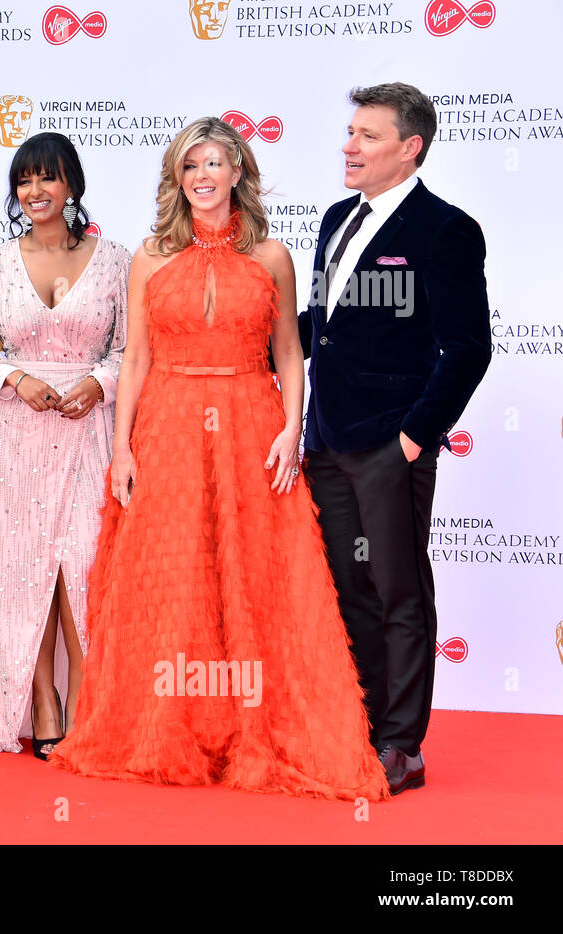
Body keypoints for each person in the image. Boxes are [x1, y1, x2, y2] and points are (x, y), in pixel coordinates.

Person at [49, 117, 389, 801]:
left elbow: (291, 355)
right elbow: (137, 358)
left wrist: (292, 427)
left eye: (215, 163)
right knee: (175, 579)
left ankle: (252, 728)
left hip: (248, 423)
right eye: (190, 165)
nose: (203, 176)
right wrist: (121, 449)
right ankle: (173, 728)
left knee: (255, 576)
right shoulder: (149, 257)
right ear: (178, 179)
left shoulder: (272, 257)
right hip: (168, 427)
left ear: (240, 172)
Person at [299, 83, 492, 796]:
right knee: (350, 591)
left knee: (399, 592)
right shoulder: (332, 221)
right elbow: (320, 329)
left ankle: (401, 745)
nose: (349, 146)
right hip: (326, 444)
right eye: (349, 132)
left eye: (367, 136)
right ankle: (363, 724)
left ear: (409, 148)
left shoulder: (445, 229)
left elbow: (468, 348)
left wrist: (413, 439)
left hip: (390, 447)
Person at [0, 133, 129, 758]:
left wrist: (99, 383)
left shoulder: (114, 260)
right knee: (22, 571)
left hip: (89, 432)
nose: (35, 192)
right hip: (16, 434)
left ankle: (90, 700)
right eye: (25, 181)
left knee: (83, 567)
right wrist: (16, 379)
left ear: (73, 186)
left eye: (48, 179)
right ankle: (41, 705)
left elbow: (130, 349)